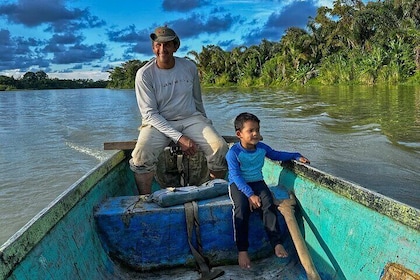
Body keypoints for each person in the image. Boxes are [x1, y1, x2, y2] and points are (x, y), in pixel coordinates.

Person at [130, 26, 228, 195]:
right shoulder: (144, 74)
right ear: (153, 47)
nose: (162, 49)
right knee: (140, 156)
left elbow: (197, 101)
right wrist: (179, 138)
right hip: (157, 123)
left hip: (191, 119)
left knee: (219, 148)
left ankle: (213, 193)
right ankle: (145, 201)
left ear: (175, 46)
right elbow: (150, 114)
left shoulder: (189, 67)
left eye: (167, 44)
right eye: (158, 45)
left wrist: (205, 125)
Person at [226, 112, 310, 269]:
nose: (256, 134)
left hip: (258, 182)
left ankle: (276, 243)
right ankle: (242, 250)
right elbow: (235, 176)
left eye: (257, 129)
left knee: (268, 205)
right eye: (250, 131)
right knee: (241, 210)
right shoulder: (233, 153)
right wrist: (250, 195)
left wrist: (296, 156)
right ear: (239, 134)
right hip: (238, 184)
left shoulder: (262, 148)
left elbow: (277, 155)